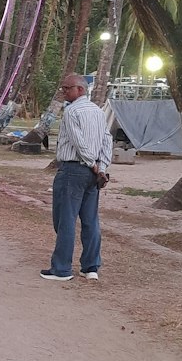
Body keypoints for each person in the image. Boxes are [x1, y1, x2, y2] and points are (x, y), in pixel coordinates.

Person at [41, 73, 113, 283]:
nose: (63, 92)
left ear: (80, 90)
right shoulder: (98, 112)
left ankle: (62, 268)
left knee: (65, 220)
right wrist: (102, 167)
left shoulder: (72, 112)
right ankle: (91, 266)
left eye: (67, 88)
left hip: (73, 169)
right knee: (90, 220)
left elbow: (78, 141)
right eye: (63, 88)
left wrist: (92, 164)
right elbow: (107, 141)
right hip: (92, 173)